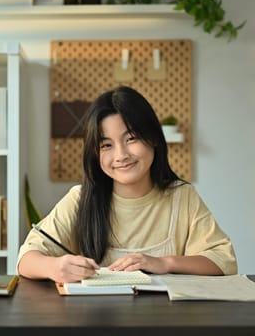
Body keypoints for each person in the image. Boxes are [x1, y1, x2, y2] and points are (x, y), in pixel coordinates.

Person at [17, 86, 237, 283]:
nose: (121, 155)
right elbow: (26, 259)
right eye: (106, 145)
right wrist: (54, 267)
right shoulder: (80, 198)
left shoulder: (182, 196)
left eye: (131, 138)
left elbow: (223, 260)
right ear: (95, 153)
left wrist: (164, 263)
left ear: (153, 138)